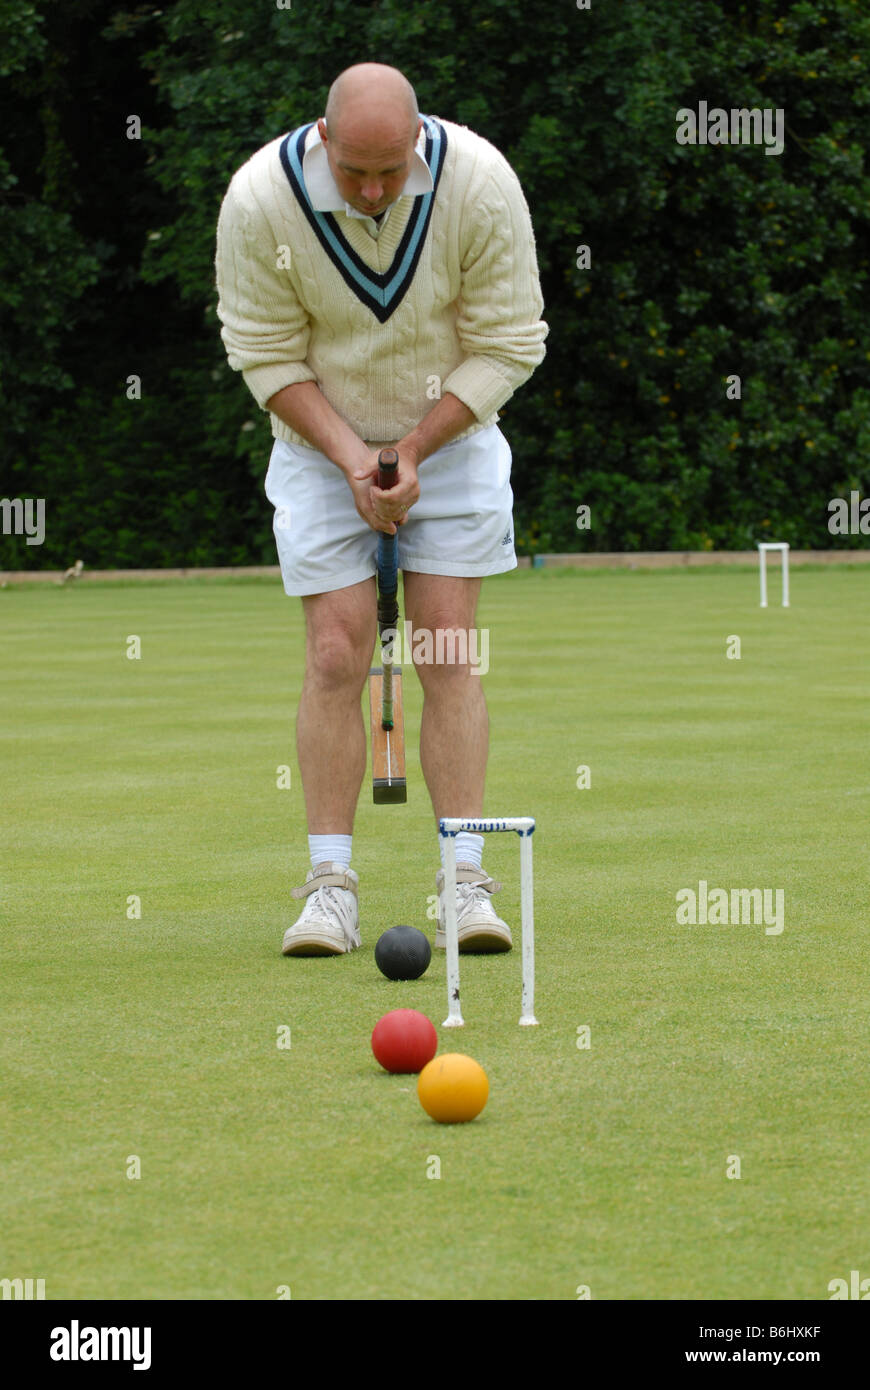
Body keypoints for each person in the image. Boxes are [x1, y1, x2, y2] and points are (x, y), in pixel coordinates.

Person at [215, 62, 547, 957]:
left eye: (389, 172)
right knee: (334, 654)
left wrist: (412, 451)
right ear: (324, 139)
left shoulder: (478, 182)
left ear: (417, 142)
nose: (370, 190)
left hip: (456, 434)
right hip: (321, 446)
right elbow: (262, 353)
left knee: (446, 647)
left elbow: (511, 341)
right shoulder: (258, 201)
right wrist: (357, 458)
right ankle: (330, 886)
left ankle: (464, 879)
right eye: (354, 170)